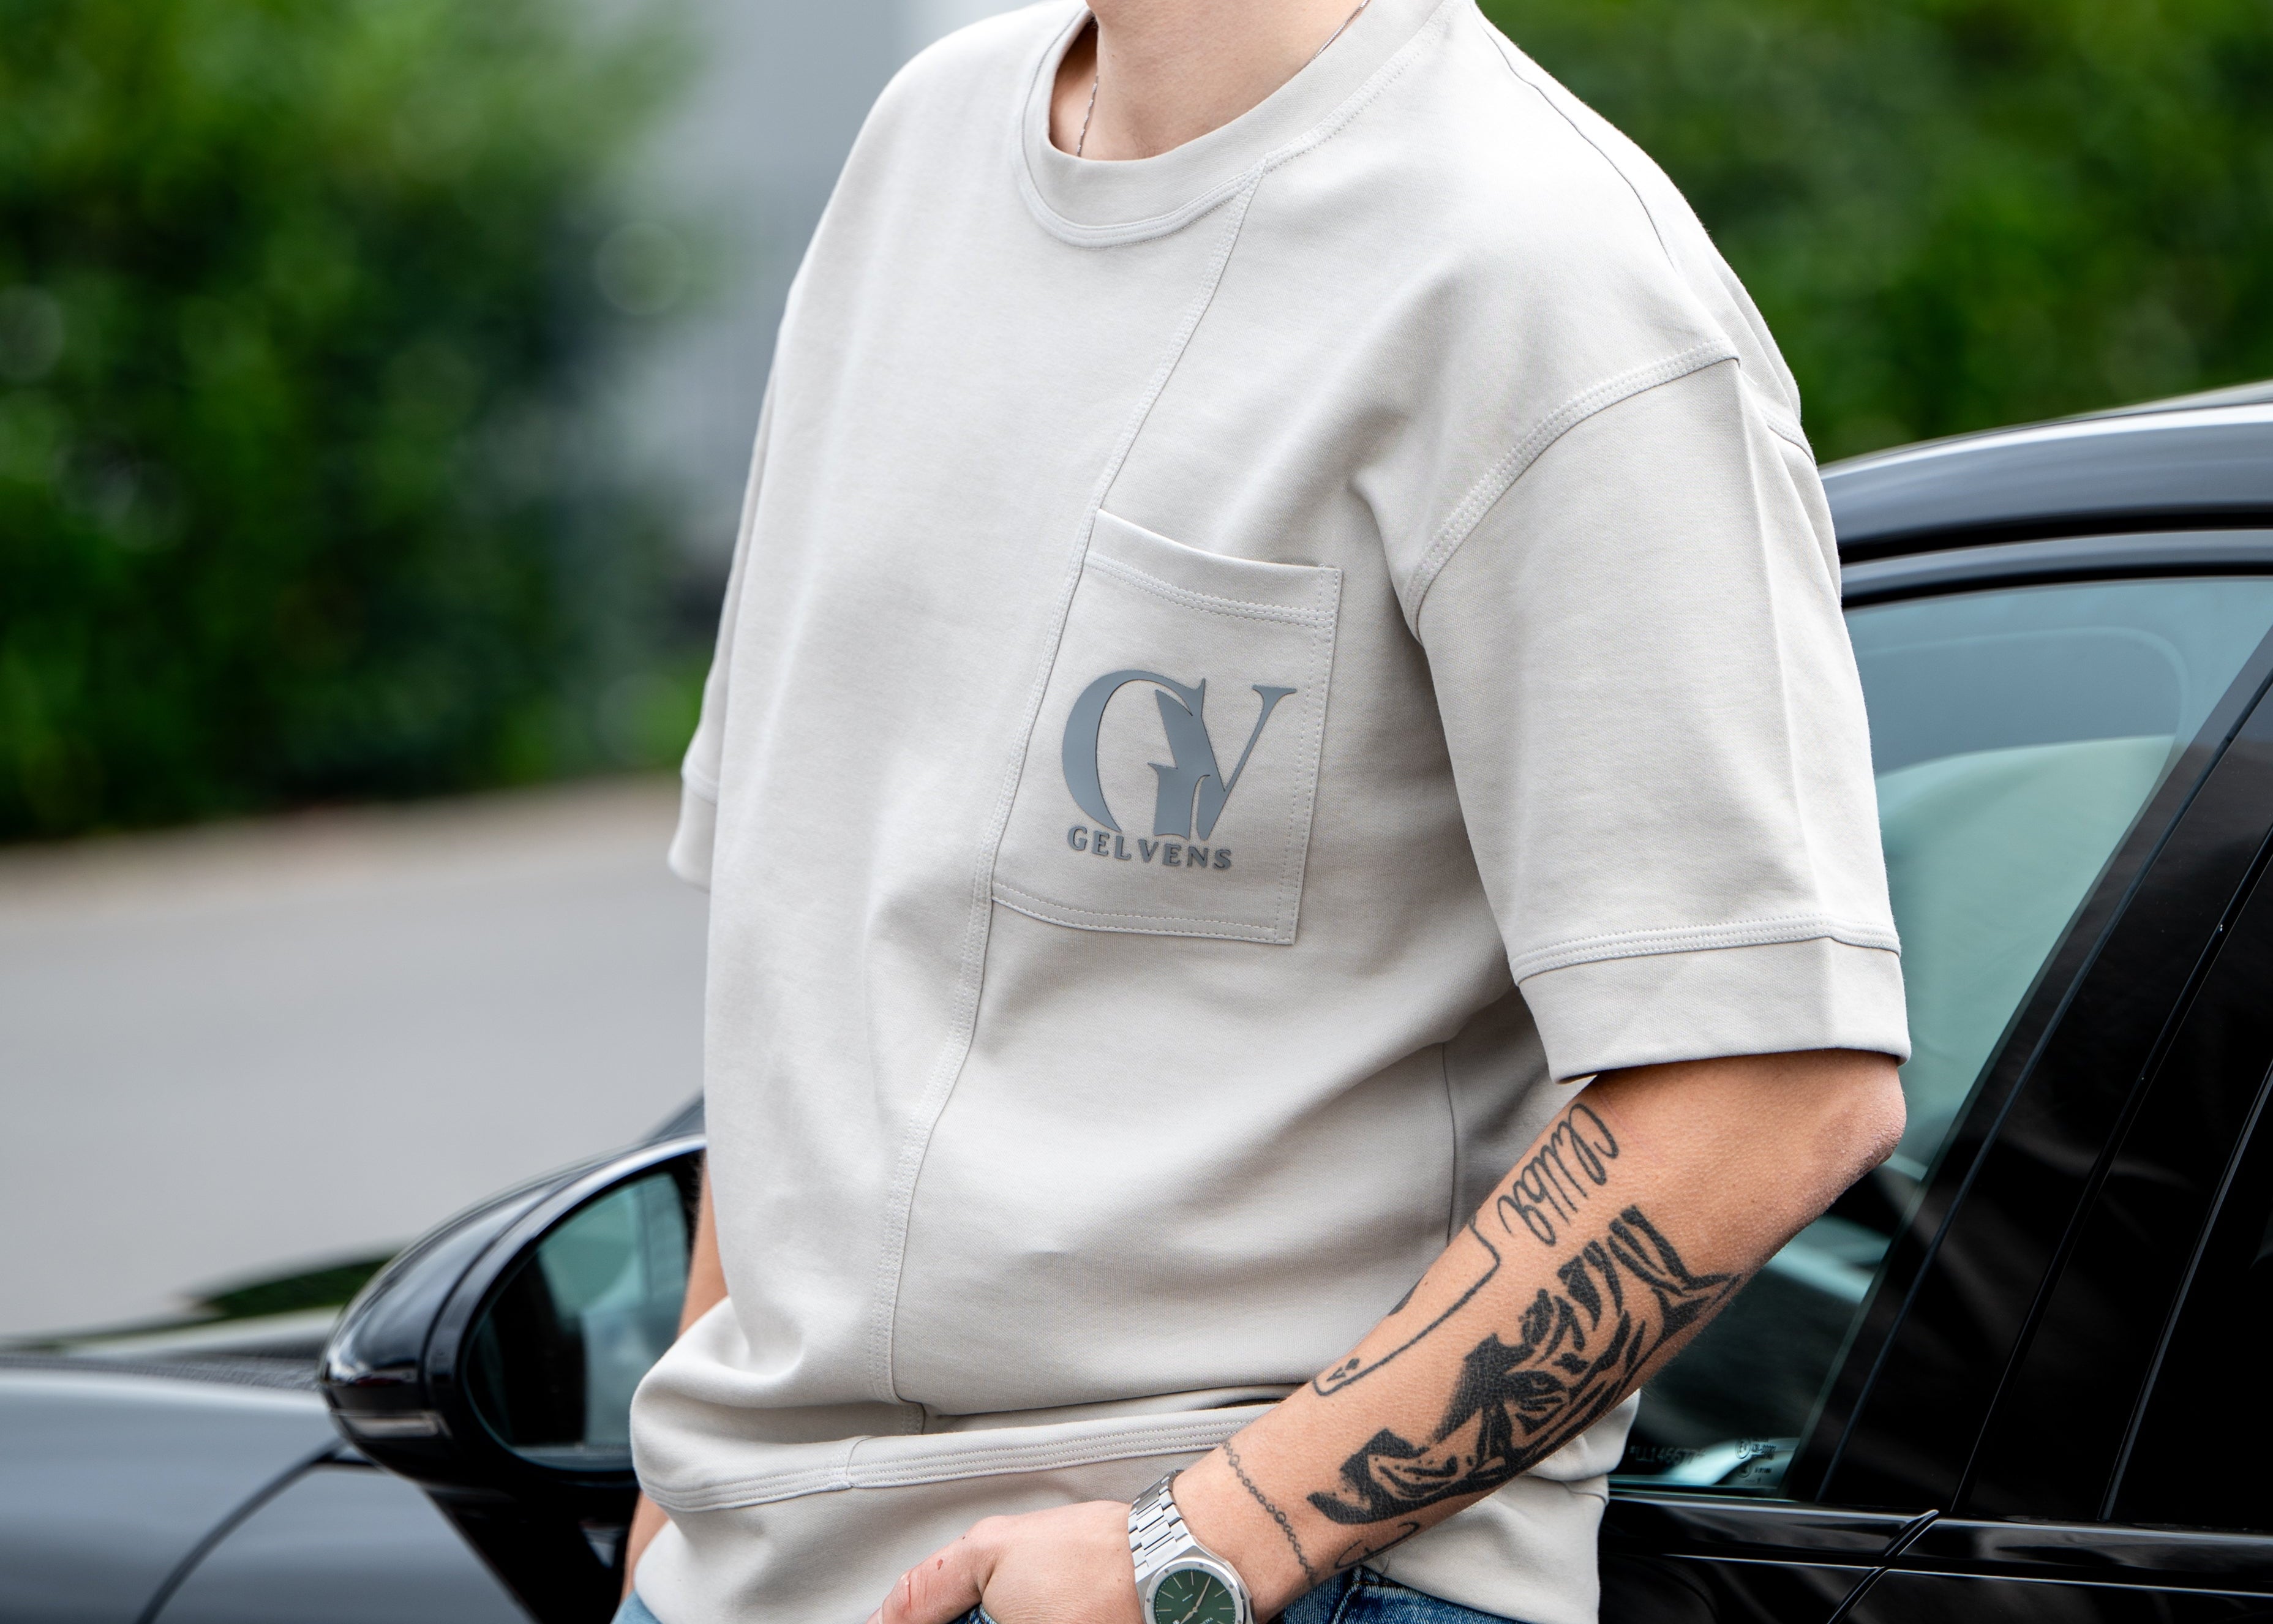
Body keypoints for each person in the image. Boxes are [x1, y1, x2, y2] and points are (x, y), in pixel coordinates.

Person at [617, 0, 1911, 1621]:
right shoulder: (920, 148)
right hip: (742, 1577)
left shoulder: (1542, 271)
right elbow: (805, 937)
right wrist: (676, 1506)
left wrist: (1201, 1547)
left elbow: (1775, 1085)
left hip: (1243, 1575)